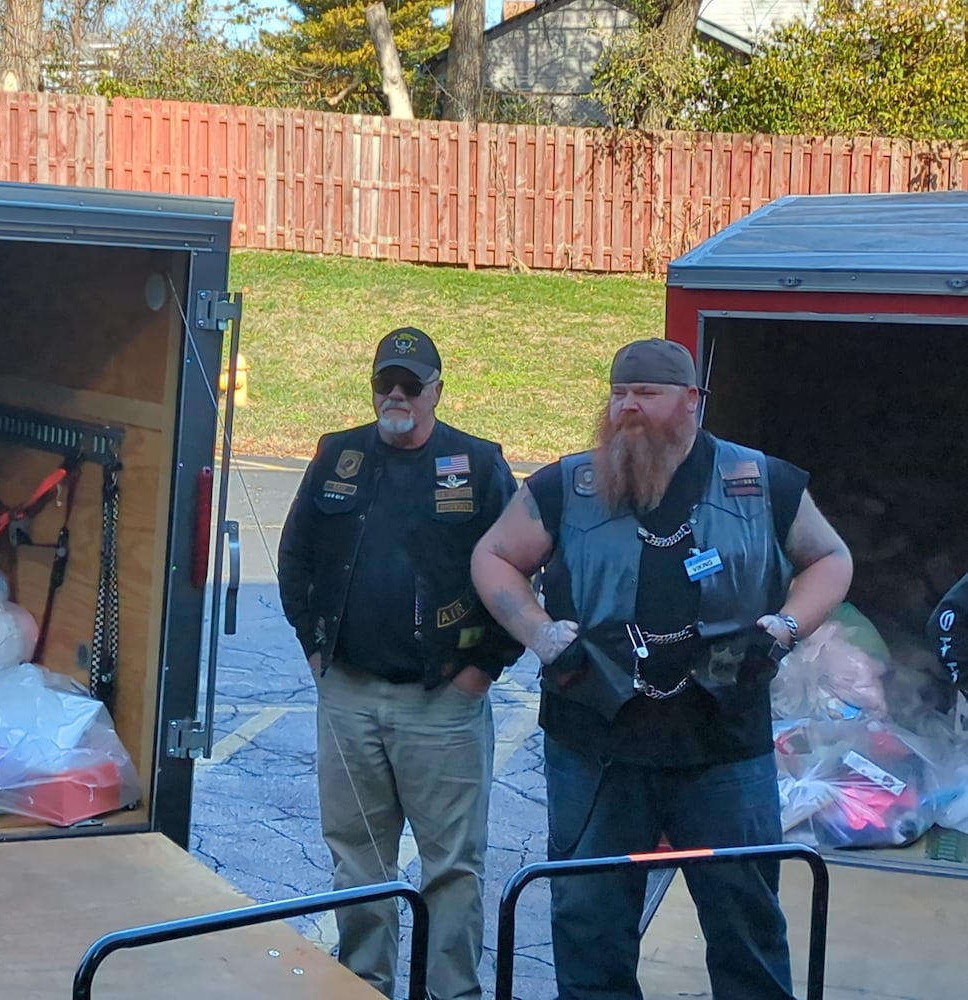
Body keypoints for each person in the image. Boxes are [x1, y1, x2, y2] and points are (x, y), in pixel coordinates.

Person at [470, 339, 853, 1000]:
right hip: (595, 742)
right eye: (620, 393)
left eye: (645, 394)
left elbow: (830, 559)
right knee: (590, 923)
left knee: (745, 920)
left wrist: (787, 626)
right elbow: (494, 556)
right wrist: (537, 629)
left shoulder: (761, 482)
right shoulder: (567, 485)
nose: (627, 409)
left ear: (690, 403)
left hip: (723, 742)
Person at [276, 327, 521, 999]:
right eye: (386, 381)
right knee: (356, 861)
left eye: (412, 384)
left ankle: (451, 992)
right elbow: (295, 556)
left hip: (441, 701)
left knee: (450, 868)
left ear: (438, 390)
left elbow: (526, 574)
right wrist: (315, 645)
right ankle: (364, 986)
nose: (397, 394)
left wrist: (484, 671)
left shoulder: (478, 465)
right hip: (348, 693)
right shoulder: (338, 455)